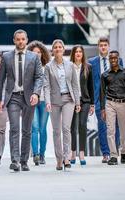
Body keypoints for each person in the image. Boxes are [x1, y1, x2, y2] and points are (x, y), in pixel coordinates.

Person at [0, 30, 43, 172]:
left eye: (23, 39)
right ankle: (15, 161)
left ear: (27, 40)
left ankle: (24, 161)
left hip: (29, 97)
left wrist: (36, 93)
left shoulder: (34, 57)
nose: (20, 41)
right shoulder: (6, 56)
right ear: (14, 40)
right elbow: (1, 79)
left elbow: (39, 77)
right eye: (18, 39)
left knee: (27, 130)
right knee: (15, 129)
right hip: (13, 97)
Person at [44, 39, 80, 170]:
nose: (58, 49)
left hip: (68, 99)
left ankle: (66, 158)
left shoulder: (70, 65)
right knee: (56, 131)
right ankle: (59, 159)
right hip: (54, 101)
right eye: (55, 47)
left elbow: (75, 85)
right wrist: (47, 102)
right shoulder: (48, 67)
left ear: (64, 50)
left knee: (66, 128)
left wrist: (77, 102)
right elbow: (46, 86)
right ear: (52, 51)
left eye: (60, 47)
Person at [88, 37, 122, 163]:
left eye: (105, 45)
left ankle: (115, 151)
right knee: (102, 126)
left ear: (108, 46)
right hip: (99, 99)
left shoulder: (118, 61)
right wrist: (91, 101)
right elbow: (90, 83)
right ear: (98, 47)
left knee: (115, 126)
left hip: (115, 98)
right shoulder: (91, 62)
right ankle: (106, 153)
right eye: (101, 45)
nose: (103, 47)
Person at [100, 50, 125, 165]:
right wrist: (102, 109)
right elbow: (101, 93)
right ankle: (114, 156)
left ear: (118, 58)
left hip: (123, 103)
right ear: (109, 59)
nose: (113, 60)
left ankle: (124, 153)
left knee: (123, 130)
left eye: (115, 58)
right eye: (111, 58)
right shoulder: (105, 74)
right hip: (110, 103)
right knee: (110, 130)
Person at [69, 45, 95, 165]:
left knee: (82, 125)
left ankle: (82, 153)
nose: (78, 53)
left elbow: (91, 87)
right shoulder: (68, 66)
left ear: (83, 54)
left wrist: (92, 104)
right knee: (72, 127)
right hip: (72, 100)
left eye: (80, 52)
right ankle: (73, 152)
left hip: (85, 100)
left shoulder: (88, 67)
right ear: (73, 54)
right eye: (76, 52)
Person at [27, 40, 51, 165]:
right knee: (34, 127)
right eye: (34, 52)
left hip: (44, 101)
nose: (37, 54)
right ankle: (35, 154)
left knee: (42, 129)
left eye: (39, 52)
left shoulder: (47, 67)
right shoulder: (27, 67)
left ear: (43, 54)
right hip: (32, 102)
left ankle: (42, 154)